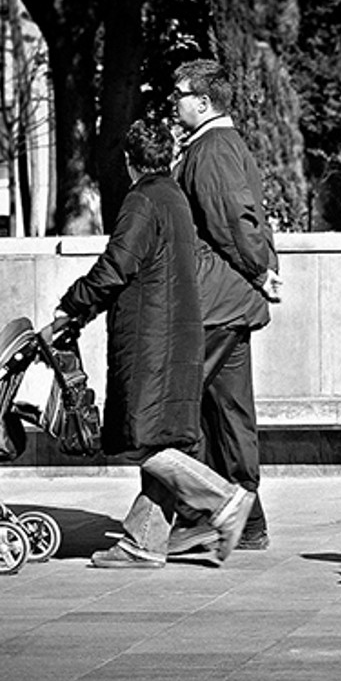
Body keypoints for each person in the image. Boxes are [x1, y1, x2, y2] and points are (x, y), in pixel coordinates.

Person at [56, 119, 254, 569]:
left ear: (129, 161)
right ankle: (142, 541)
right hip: (177, 334)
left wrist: (73, 306)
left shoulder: (142, 199)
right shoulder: (174, 197)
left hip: (151, 342)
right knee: (164, 440)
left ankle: (223, 500)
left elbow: (117, 266)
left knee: (148, 441)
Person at [168, 58, 280, 552]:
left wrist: (259, 268)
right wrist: (261, 271)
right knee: (231, 414)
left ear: (204, 101)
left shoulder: (211, 149)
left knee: (181, 411)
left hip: (212, 303)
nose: (175, 104)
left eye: (180, 95)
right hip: (230, 304)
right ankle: (247, 521)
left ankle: (196, 514)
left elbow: (234, 219)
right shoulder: (221, 145)